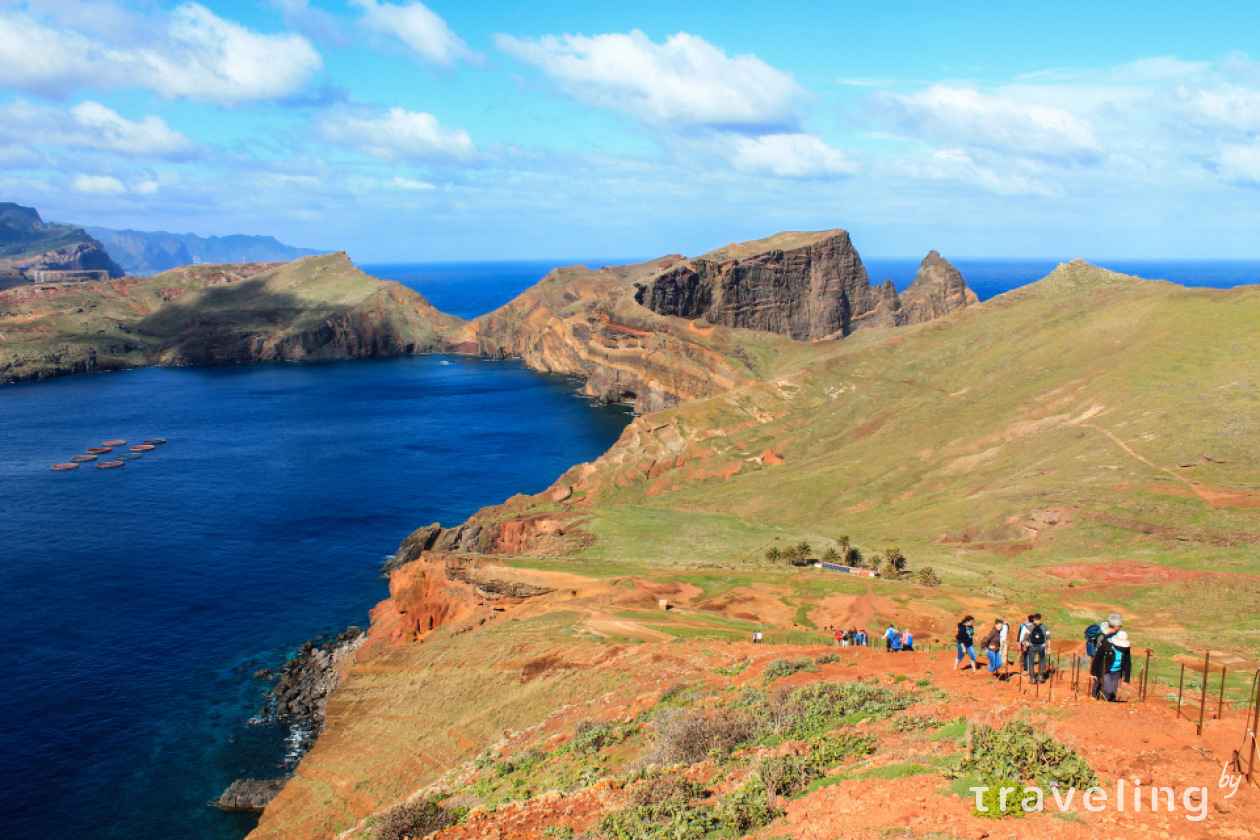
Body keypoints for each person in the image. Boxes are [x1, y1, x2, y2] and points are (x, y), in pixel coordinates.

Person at [1090, 626, 1132, 701]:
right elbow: (1097, 659)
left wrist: (1127, 679)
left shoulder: (1126, 650)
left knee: (1113, 690)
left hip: (1117, 672)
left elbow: (1127, 663)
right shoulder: (1106, 646)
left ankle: (1111, 703)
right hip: (1105, 670)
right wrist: (1093, 673)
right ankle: (1103, 702)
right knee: (1107, 689)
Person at [1026, 614, 1050, 683]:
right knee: (1042, 660)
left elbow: (1026, 637)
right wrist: (1048, 648)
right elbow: (1048, 638)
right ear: (1040, 619)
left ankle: (1032, 678)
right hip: (1041, 646)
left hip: (1032, 646)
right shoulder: (1045, 627)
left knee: (1031, 662)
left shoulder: (1030, 627)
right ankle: (1040, 676)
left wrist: (1026, 644)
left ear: (1033, 619)